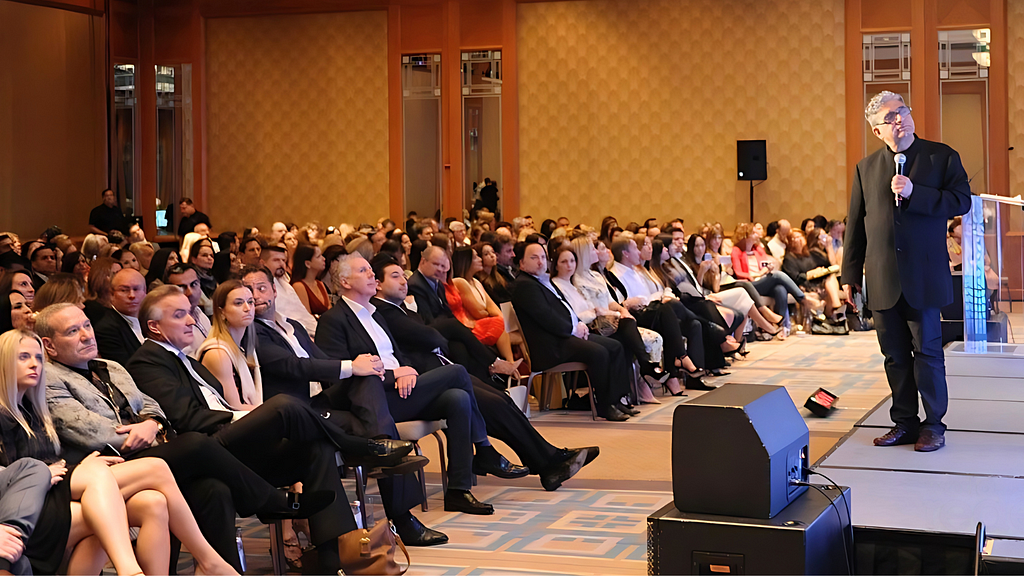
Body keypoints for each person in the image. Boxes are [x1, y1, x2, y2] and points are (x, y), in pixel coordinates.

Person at [125, 285, 414, 572]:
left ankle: (331, 560)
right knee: (284, 406)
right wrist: (242, 417)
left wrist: (242, 416)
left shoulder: (184, 358)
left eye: (189, 312)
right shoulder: (148, 361)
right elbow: (186, 418)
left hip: (225, 448)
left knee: (316, 449)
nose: (191, 320)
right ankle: (360, 447)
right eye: (180, 315)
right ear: (154, 326)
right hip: (206, 445)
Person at [38, 304, 332, 573]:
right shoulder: (50, 379)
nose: (86, 335)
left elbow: (151, 404)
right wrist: (137, 430)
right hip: (109, 463)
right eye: (73, 331)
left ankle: (225, 570)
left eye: (87, 326)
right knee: (195, 443)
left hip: (146, 448)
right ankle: (272, 500)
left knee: (212, 488)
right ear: (49, 345)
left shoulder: (110, 367)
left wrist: (151, 424)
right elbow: (84, 429)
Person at [1, 329, 239, 576]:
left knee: (153, 503)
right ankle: (199, 562)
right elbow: (15, 472)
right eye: (23, 357)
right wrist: (42, 472)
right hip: (23, 505)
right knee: (153, 469)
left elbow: (50, 459)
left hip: (53, 490)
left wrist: (71, 466)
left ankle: (193, 565)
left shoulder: (31, 408)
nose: (34, 364)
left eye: (38, 358)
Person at [315, 254, 506, 515]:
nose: (372, 275)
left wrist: (410, 372)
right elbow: (337, 376)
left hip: (404, 391)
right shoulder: (333, 320)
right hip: (374, 402)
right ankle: (484, 448)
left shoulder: (376, 315)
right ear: (345, 281)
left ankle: (459, 490)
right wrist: (397, 376)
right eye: (364, 271)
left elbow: (398, 358)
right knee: (457, 372)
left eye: (372, 270)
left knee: (458, 398)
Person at [843, 91, 972, 453]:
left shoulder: (940, 156)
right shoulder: (865, 168)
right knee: (895, 357)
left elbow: (962, 200)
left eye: (902, 110)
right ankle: (904, 423)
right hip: (883, 277)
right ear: (877, 130)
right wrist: (849, 276)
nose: (899, 118)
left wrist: (917, 192)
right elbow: (856, 225)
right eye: (890, 116)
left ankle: (933, 424)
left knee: (928, 354)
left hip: (925, 275)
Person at [513, 243, 636, 421]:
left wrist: (579, 324)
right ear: (522, 263)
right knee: (599, 352)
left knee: (615, 346)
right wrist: (573, 329)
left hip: (563, 337)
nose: (540, 262)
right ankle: (604, 406)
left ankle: (617, 400)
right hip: (550, 346)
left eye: (542, 257)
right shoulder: (524, 286)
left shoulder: (541, 281)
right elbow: (547, 318)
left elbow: (564, 310)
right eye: (534, 258)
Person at [449, 246, 522, 372]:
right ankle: (511, 364)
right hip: (472, 327)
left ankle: (528, 369)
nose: (479, 259)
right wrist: (489, 313)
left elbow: (492, 307)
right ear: (466, 261)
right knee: (499, 324)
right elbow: (478, 312)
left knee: (518, 333)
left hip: (485, 323)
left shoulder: (476, 282)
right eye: (476, 257)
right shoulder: (460, 282)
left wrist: (491, 313)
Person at [91, 268, 147, 366]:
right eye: (124, 290)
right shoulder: (106, 329)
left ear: (145, 291)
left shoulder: (152, 319)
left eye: (136, 289)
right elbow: (126, 368)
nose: (132, 295)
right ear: (112, 294)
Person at [260, 245, 318, 337]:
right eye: (276, 260)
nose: (281, 264)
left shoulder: (286, 284)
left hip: (306, 331)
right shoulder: (261, 288)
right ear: (263, 263)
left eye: (283, 260)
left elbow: (302, 313)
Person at [165, 263, 213, 357]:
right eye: (181, 287)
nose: (190, 292)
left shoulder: (198, 312)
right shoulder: (172, 325)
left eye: (194, 284)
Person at [292, 244, 331, 316]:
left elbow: (329, 309)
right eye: (318, 256)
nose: (324, 259)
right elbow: (307, 315)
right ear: (307, 263)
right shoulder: (299, 286)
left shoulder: (320, 283)